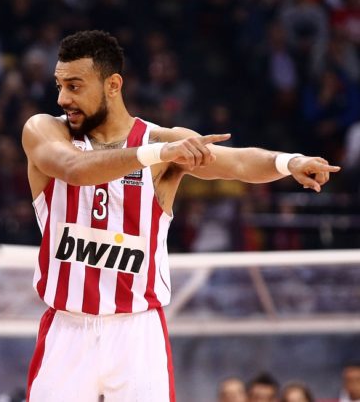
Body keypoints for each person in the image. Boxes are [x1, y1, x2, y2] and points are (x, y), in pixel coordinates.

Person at [21, 30, 340, 401]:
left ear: (113, 85)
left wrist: (289, 162)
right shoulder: (45, 130)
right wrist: (158, 154)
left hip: (137, 334)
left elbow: (237, 162)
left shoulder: (161, 141)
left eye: (74, 86)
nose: (63, 98)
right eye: (59, 86)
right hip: (66, 329)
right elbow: (74, 169)